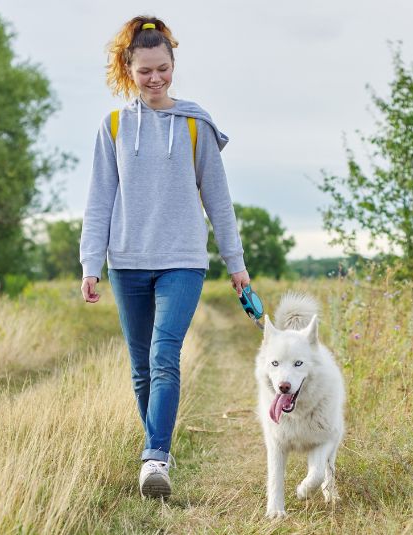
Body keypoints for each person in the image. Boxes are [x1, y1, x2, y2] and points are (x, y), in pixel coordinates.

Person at [78, 16, 250, 499]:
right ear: (128, 69)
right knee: (140, 367)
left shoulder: (196, 125)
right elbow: (99, 201)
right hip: (127, 261)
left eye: (163, 69)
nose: (155, 79)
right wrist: (91, 264)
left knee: (163, 354)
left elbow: (219, 201)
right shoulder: (112, 127)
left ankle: (154, 457)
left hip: (183, 260)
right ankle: (159, 449)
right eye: (145, 71)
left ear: (174, 65)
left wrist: (235, 265)